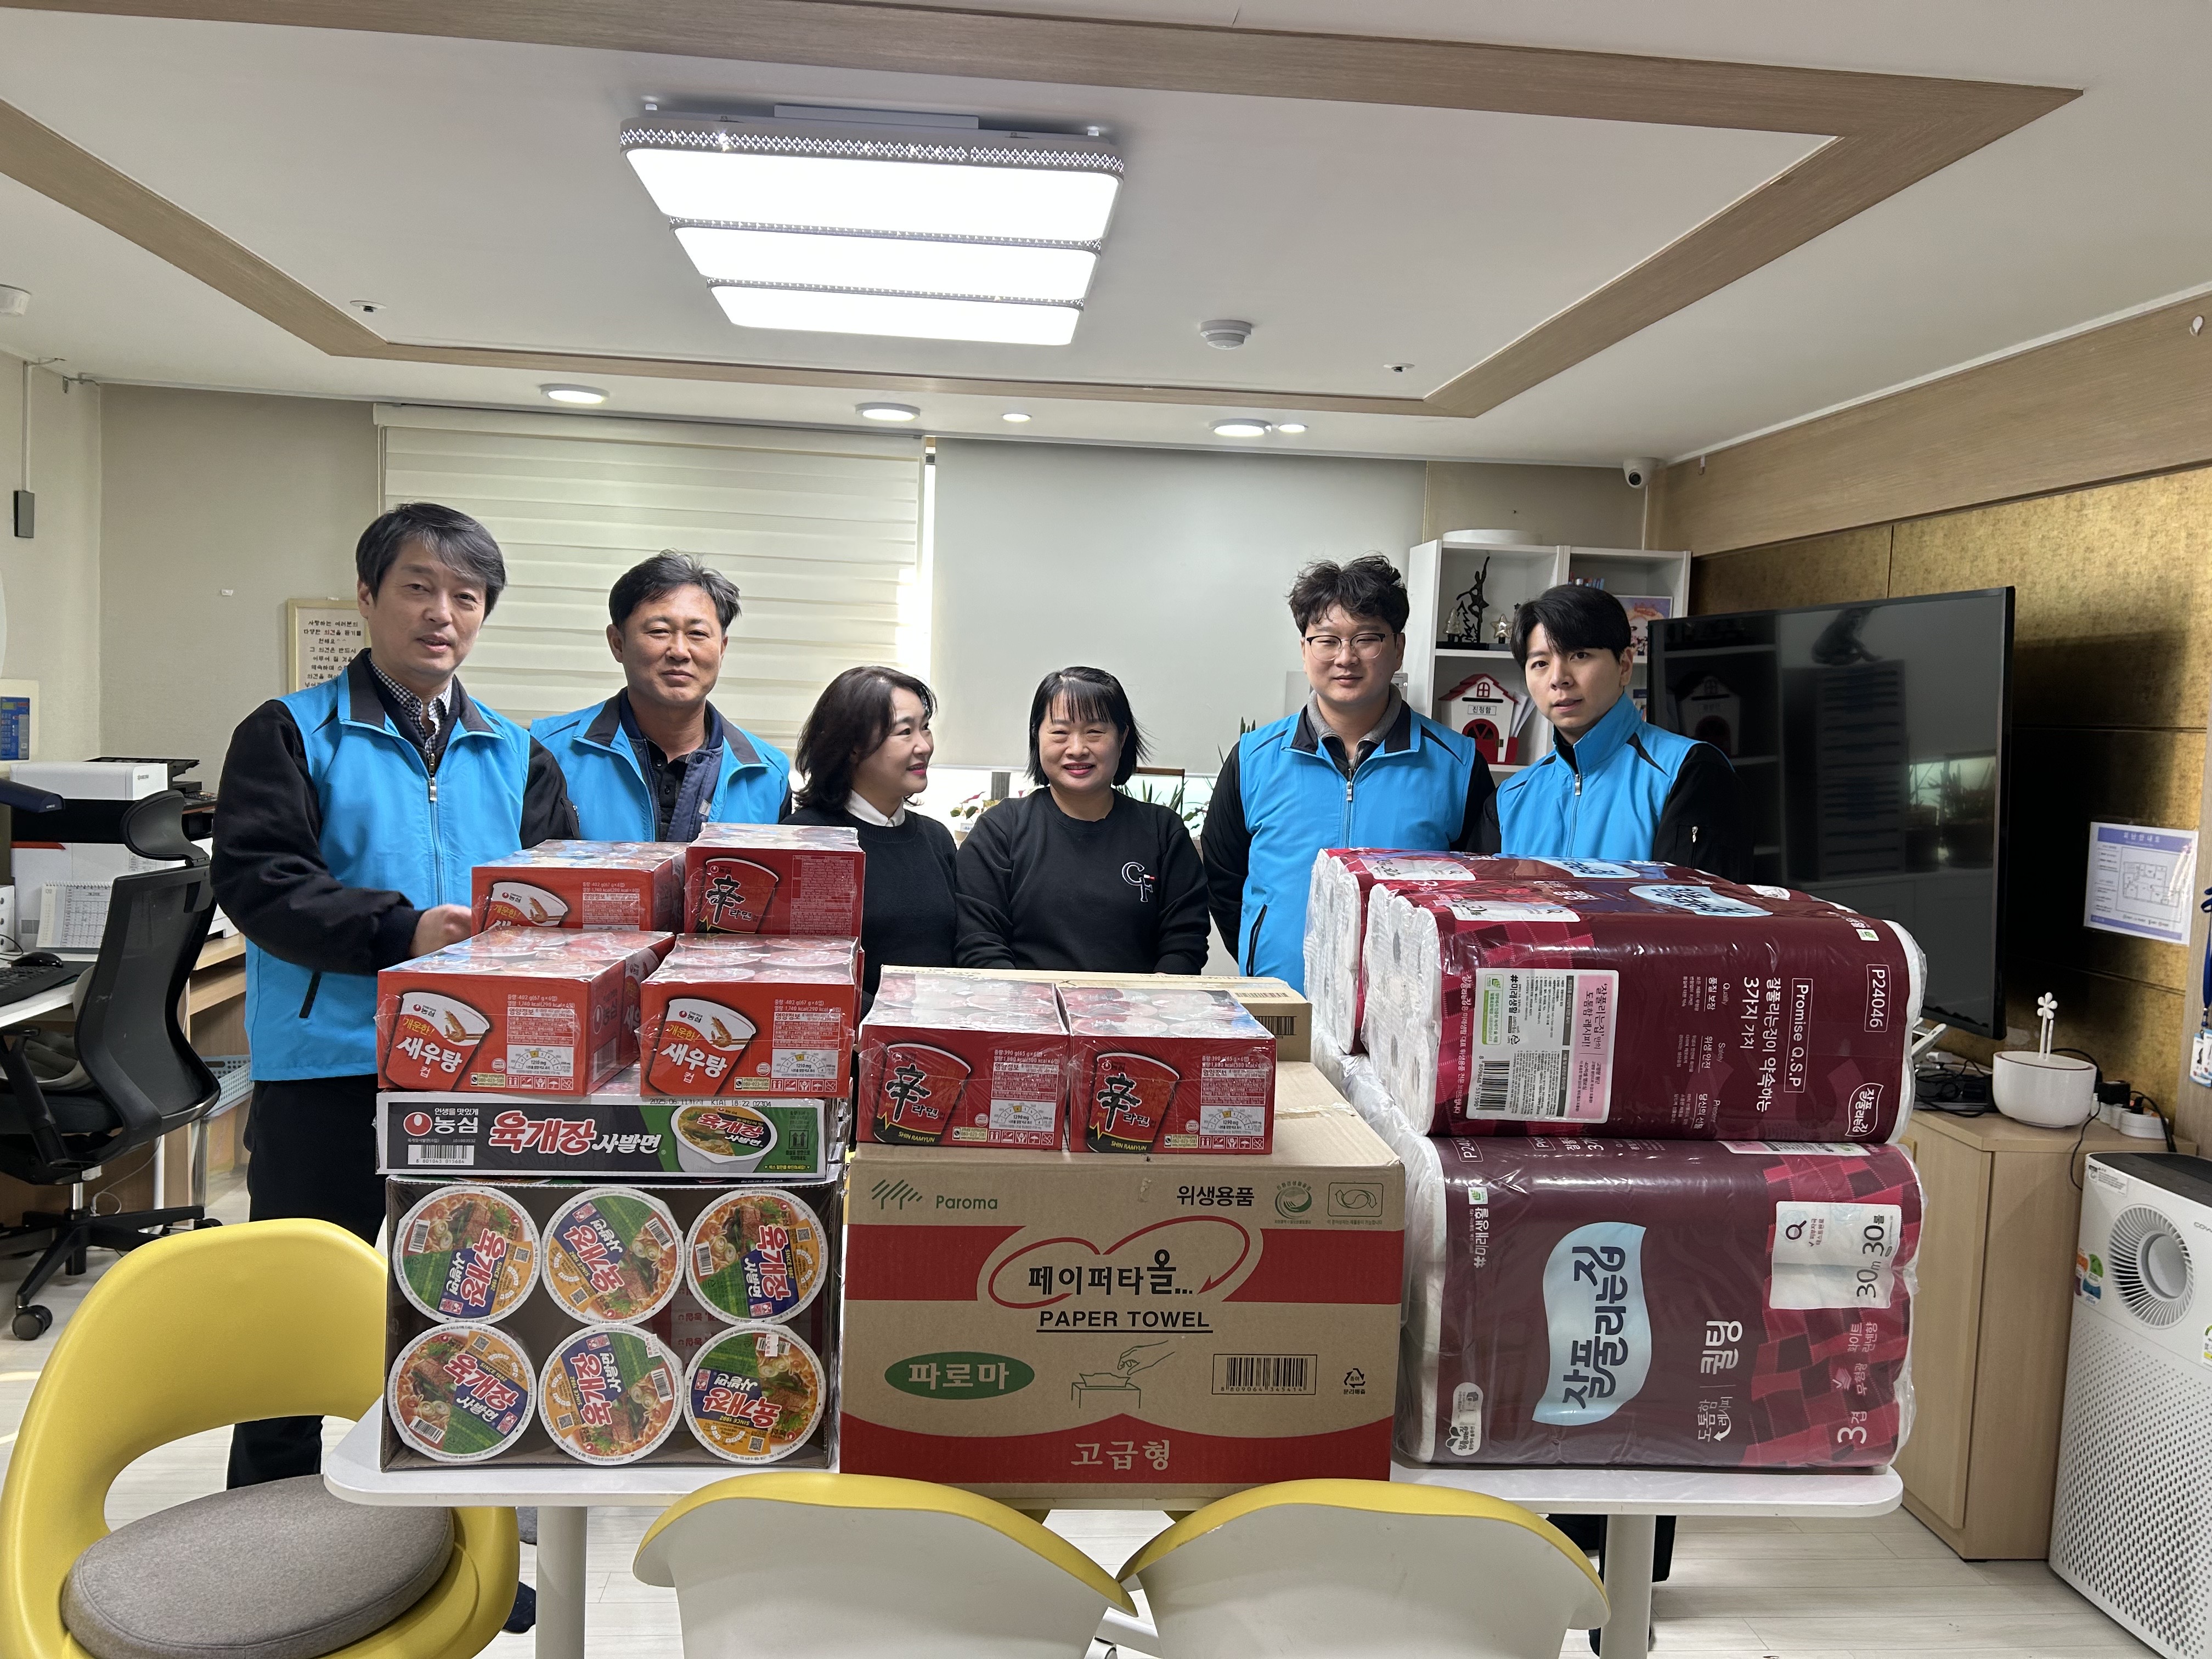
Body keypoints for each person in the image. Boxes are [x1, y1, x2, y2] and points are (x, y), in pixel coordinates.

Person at [212, 503, 573, 1628]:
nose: (442, 613)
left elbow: (560, 901)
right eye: (419, 586)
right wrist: (400, 931)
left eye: (466, 596)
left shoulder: (517, 750)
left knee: (469, 1318)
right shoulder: (291, 731)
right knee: (295, 1316)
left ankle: (466, 1558)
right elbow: (261, 882)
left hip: (475, 1077)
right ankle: (259, 1553)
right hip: (328, 1064)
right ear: (368, 598)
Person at [1203, 555, 1493, 990]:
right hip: (1282, 997)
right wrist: (1261, 953)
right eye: (1327, 640)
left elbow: (1479, 893)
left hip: (1408, 1008)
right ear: (1305, 650)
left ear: (1398, 648)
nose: (1345, 658)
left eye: (1367, 639)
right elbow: (1224, 879)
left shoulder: (1457, 764)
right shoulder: (1253, 759)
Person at [955, 667, 1209, 973]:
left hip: (1138, 1004)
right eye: (1060, 733)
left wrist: (1146, 1002)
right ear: (1037, 737)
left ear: (1122, 738)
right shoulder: (1000, 830)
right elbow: (980, 944)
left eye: (1095, 732)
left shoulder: (1163, 832)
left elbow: (1184, 944)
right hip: (1025, 1003)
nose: (1077, 749)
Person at [1489, 583, 1750, 878]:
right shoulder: (1509, 797)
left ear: (1624, 666)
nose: (1558, 678)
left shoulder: (1693, 772)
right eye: (1540, 663)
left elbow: (1696, 904)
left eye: (1580, 655)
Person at [531, 551, 788, 841]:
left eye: (698, 634)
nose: (680, 651)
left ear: (722, 649)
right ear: (617, 643)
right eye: (659, 631)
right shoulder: (546, 752)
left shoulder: (767, 774)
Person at [783, 665, 957, 1008]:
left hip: (937, 1030)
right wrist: (888, 1023)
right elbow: (807, 968)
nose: (924, 745)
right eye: (905, 732)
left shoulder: (937, 838)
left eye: (925, 728)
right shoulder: (806, 841)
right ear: (853, 747)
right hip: (852, 1035)